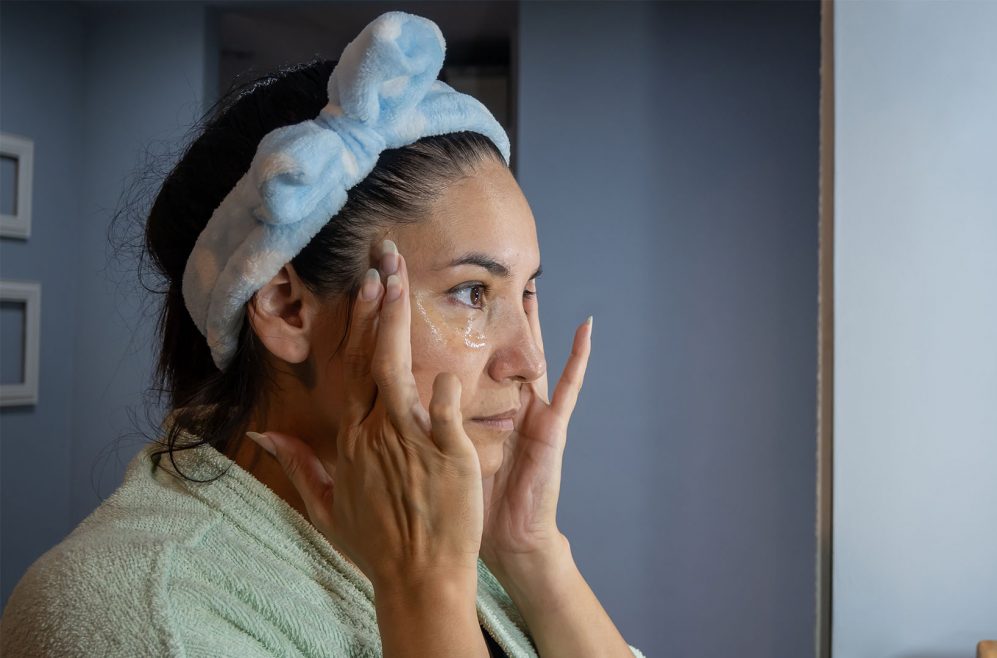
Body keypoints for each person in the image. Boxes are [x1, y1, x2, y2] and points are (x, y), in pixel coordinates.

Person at [0, 12, 642, 657]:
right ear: (285, 308)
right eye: (472, 292)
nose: (529, 360)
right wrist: (424, 589)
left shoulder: (444, 530)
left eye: (525, 291)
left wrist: (531, 554)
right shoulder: (134, 616)